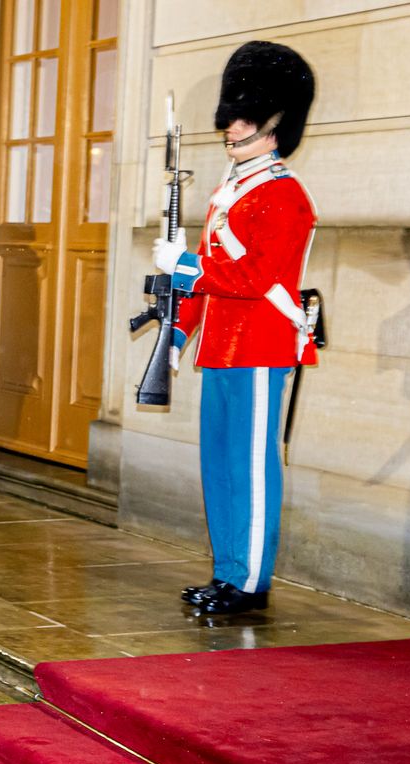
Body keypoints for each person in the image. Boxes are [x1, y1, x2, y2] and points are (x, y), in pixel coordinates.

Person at [158, 42, 319, 617]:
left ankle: (250, 581)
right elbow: (204, 282)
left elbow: (253, 278)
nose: (233, 129)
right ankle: (227, 570)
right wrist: (176, 337)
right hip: (222, 349)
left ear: (273, 127)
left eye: (244, 121)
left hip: (259, 346)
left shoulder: (285, 195)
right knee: (220, 465)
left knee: (251, 469)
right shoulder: (228, 192)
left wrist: (187, 265)